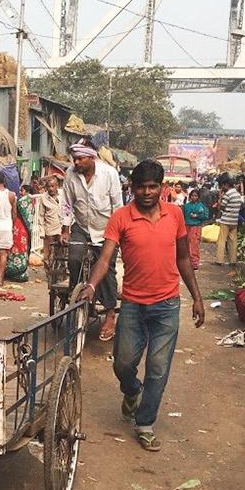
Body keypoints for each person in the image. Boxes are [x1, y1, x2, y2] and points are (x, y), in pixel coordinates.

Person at [80, 159, 204, 452]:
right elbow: (105, 259)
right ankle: (132, 391)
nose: (147, 192)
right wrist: (91, 285)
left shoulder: (175, 214)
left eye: (152, 187)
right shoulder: (121, 217)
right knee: (123, 363)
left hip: (167, 305)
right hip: (134, 303)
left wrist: (197, 298)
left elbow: (184, 258)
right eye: (141, 187)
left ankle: (145, 423)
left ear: (162, 188)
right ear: (132, 188)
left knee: (158, 369)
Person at [60, 140, 123, 341]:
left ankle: (110, 314)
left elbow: (118, 206)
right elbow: (67, 203)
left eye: (80, 158)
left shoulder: (109, 174)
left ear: (91, 157)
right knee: (74, 258)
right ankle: (76, 296)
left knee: (106, 270)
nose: (76, 162)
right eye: (74, 159)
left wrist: (117, 234)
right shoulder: (70, 174)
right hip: (81, 226)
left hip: (106, 229)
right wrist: (65, 229)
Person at [5, 184, 32, 281]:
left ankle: (16, 271)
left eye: (21, 191)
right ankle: (22, 272)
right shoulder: (31, 200)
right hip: (25, 228)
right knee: (22, 248)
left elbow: (15, 212)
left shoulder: (22, 201)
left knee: (17, 247)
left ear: (25, 191)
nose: (20, 193)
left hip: (19, 226)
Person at [215, 175, 243, 270]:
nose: (222, 187)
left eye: (223, 185)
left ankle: (219, 260)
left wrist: (220, 198)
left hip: (226, 220)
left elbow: (221, 207)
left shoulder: (228, 194)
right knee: (233, 241)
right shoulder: (238, 194)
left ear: (226, 184)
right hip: (234, 220)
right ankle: (233, 260)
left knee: (222, 240)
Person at [35, 175, 63, 267]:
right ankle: (49, 273)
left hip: (61, 228)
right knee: (48, 254)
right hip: (49, 229)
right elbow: (41, 216)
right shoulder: (43, 198)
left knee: (61, 252)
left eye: (52, 186)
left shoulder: (63, 196)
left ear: (57, 186)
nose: (50, 189)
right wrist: (42, 231)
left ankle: (59, 271)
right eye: (48, 187)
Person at [182, 189, 209, 270]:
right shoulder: (186, 206)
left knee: (194, 245)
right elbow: (182, 216)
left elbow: (206, 216)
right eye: (192, 196)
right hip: (186, 226)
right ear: (190, 197)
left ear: (198, 197)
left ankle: (194, 262)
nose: (194, 197)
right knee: (185, 244)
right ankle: (186, 261)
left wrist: (197, 216)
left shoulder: (201, 206)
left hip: (196, 227)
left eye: (195, 196)